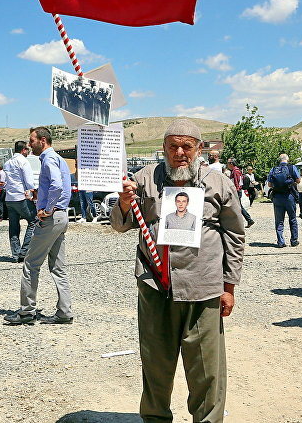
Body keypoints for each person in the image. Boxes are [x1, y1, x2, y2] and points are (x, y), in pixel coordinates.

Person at [110, 119, 245, 423]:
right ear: (163, 148)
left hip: (202, 287)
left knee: (206, 370)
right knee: (156, 365)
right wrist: (124, 202)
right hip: (155, 287)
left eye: (187, 146)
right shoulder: (144, 179)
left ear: (199, 148)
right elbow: (120, 225)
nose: (180, 152)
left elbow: (235, 235)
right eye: (173, 146)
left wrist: (229, 286)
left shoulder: (218, 183)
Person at [4, 127, 74, 326]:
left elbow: (57, 185)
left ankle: (27, 311)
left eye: (32, 140)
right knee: (58, 268)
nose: (29, 145)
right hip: (61, 217)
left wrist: (47, 209)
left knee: (31, 263)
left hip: (52, 218)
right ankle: (64, 312)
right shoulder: (57, 159)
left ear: (43, 141)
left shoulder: (49, 159)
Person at [4, 140, 38, 262]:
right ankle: (24, 252)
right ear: (23, 150)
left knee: (13, 226)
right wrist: (33, 192)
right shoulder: (24, 161)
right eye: (27, 149)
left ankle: (15, 253)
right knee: (34, 221)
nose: (28, 151)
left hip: (9, 198)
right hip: (21, 197)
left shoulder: (7, 163)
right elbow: (29, 181)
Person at [267, 153, 301, 248]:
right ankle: (294, 240)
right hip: (289, 196)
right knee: (292, 219)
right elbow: (298, 180)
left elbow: (269, 184)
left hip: (277, 197)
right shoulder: (291, 168)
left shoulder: (273, 169)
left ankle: (280, 242)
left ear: (279, 160)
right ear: (287, 159)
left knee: (279, 221)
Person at [227, 158, 254, 228]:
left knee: (238, 207)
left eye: (228, 163)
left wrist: (236, 190)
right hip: (236, 190)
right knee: (238, 206)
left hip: (236, 191)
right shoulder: (235, 170)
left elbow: (237, 181)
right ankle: (249, 220)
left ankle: (247, 220)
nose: (227, 164)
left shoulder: (235, 171)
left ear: (231, 163)